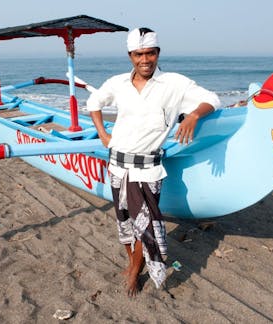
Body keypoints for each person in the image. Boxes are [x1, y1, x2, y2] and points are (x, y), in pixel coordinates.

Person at [86, 27, 220, 296]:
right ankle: (131, 261)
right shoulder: (118, 83)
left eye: (150, 53)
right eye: (138, 54)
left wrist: (193, 116)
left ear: (158, 54)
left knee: (145, 225)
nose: (144, 60)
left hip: (147, 171)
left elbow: (213, 99)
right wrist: (103, 133)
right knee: (124, 222)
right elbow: (94, 101)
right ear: (130, 55)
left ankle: (136, 271)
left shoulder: (174, 84)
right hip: (117, 166)